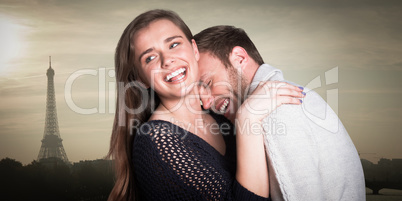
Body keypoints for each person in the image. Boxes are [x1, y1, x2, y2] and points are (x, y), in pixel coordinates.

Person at [107, 10, 304, 201]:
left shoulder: (220, 116)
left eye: (174, 44)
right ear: (141, 79)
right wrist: (248, 118)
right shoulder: (156, 139)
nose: (167, 60)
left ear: (194, 49)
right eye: (150, 58)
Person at [195, 25, 366, 201]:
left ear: (239, 58)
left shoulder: (274, 115)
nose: (206, 103)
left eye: (208, 82)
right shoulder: (298, 95)